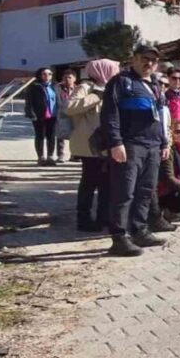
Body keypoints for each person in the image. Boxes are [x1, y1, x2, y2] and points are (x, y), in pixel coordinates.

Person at [101, 44, 170, 257]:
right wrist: (115, 143)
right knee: (124, 192)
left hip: (153, 146)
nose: (149, 63)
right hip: (130, 145)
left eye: (153, 60)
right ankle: (119, 238)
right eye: (144, 58)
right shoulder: (121, 82)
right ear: (134, 59)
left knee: (146, 191)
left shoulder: (155, 84)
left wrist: (164, 142)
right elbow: (109, 114)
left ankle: (140, 231)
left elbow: (161, 116)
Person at [66, 59, 119, 232]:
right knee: (89, 183)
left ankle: (104, 217)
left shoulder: (114, 88)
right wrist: (96, 96)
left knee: (107, 184)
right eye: (113, 69)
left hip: (109, 143)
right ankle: (84, 219)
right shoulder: (86, 87)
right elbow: (69, 107)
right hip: (90, 145)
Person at [24, 67, 59, 165]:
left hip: (53, 115)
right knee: (40, 136)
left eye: (49, 74)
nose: (47, 76)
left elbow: (58, 100)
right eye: (44, 74)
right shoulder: (34, 86)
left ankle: (50, 157)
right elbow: (29, 101)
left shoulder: (55, 86)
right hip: (39, 115)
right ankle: (41, 157)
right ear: (40, 75)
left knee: (51, 136)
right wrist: (31, 113)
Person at [53, 69, 81, 163]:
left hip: (75, 113)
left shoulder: (78, 89)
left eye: (69, 77)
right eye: (65, 77)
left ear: (75, 79)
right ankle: (60, 155)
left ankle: (75, 155)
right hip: (61, 113)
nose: (67, 79)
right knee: (60, 135)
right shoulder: (57, 88)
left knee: (75, 135)